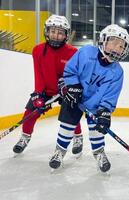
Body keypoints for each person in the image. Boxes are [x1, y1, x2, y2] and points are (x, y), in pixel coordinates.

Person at [48, 24, 129, 173]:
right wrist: (73, 86)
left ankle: (99, 152)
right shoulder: (86, 52)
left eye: (121, 46)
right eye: (114, 42)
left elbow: (110, 95)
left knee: (97, 129)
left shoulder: (117, 72)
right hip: (74, 96)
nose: (117, 48)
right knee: (67, 125)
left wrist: (105, 111)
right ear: (103, 40)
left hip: (95, 103)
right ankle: (59, 151)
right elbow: (70, 70)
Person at [13, 15, 82, 156]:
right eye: (52, 31)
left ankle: (78, 137)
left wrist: (69, 88)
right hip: (46, 90)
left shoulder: (73, 53)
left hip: (66, 90)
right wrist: (38, 94)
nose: (56, 36)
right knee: (30, 111)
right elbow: (38, 73)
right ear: (46, 32)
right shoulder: (37, 50)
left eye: (60, 32)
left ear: (66, 35)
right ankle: (25, 137)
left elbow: (76, 75)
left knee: (71, 113)